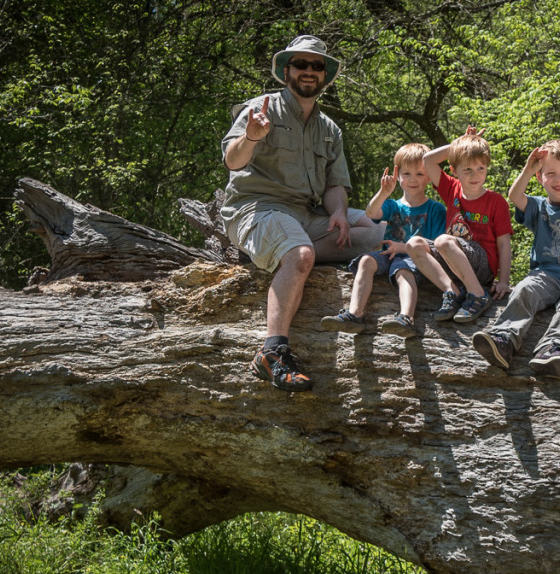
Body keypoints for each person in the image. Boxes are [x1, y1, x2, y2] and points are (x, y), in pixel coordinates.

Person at [220, 35, 383, 392]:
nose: (309, 71)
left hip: (304, 215)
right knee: (300, 253)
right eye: (302, 64)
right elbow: (233, 161)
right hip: (256, 209)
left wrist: (339, 212)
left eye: (317, 66)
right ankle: (272, 351)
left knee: (378, 235)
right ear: (287, 70)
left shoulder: (329, 129)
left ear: (324, 75)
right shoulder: (261, 109)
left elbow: (334, 185)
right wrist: (250, 137)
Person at [471, 140, 560, 379]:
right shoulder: (538, 206)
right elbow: (514, 195)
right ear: (540, 178)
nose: (558, 179)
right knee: (525, 289)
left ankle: (551, 350)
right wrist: (528, 169)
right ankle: (504, 339)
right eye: (549, 173)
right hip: (546, 274)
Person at [319, 143, 446, 338]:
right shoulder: (393, 205)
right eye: (406, 174)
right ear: (398, 176)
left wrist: (404, 247)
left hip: (414, 259)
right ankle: (354, 314)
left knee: (403, 271)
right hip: (387, 254)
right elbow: (371, 212)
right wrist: (384, 192)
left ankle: (406, 318)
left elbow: (434, 246)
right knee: (366, 261)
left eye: (420, 174)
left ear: (429, 176)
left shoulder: (435, 209)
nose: (413, 180)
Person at [407, 127, 513, 324]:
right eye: (468, 170)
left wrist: (504, 281)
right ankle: (453, 292)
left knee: (443, 241)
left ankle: (478, 294)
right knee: (413, 244)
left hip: (483, 266)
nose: (475, 175)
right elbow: (427, 160)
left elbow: (504, 243)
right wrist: (460, 143)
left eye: (481, 169)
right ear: (454, 170)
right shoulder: (452, 189)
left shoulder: (496, 201)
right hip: (452, 259)